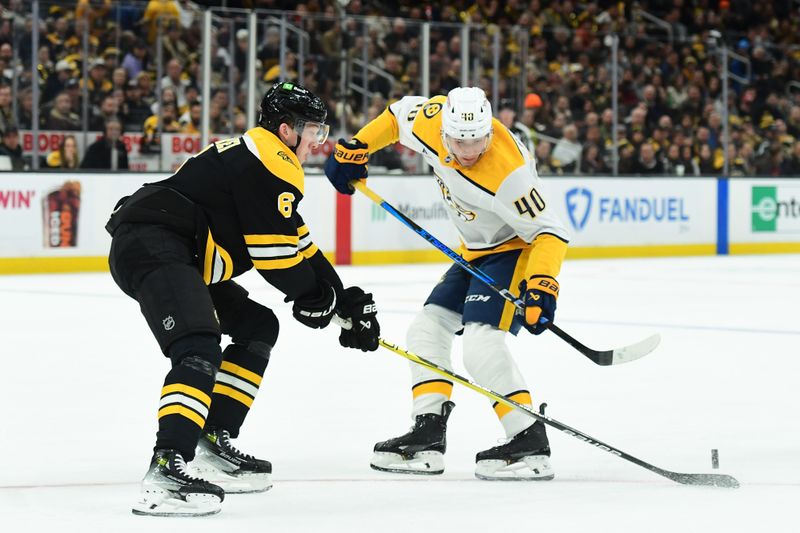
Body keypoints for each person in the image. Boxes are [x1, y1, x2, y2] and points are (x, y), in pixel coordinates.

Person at [105, 81, 381, 517]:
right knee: (198, 343)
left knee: (257, 325)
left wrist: (341, 299)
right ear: (288, 130)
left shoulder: (261, 159)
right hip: (155, 244)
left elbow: (301, 247)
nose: (318, 142)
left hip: (175, 248)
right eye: (315, 131)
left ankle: (211, 438)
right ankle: (166, 467)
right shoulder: (272, 161)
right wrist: (317, 301)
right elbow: (275, 261)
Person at [325, 87, 569, 481]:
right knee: (426, 329)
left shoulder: (510, 174)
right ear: (444, 132)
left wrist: (541, 285)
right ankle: (428, 432)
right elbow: (395, 116)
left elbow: (550, 231)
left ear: (489, 131)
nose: (469, 150)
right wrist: (357, 147)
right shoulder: (429, 119)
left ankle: (528, 437)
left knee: (480, 341)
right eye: (459, 141)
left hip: (514, 249)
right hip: (473, 251)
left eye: (477, 141)